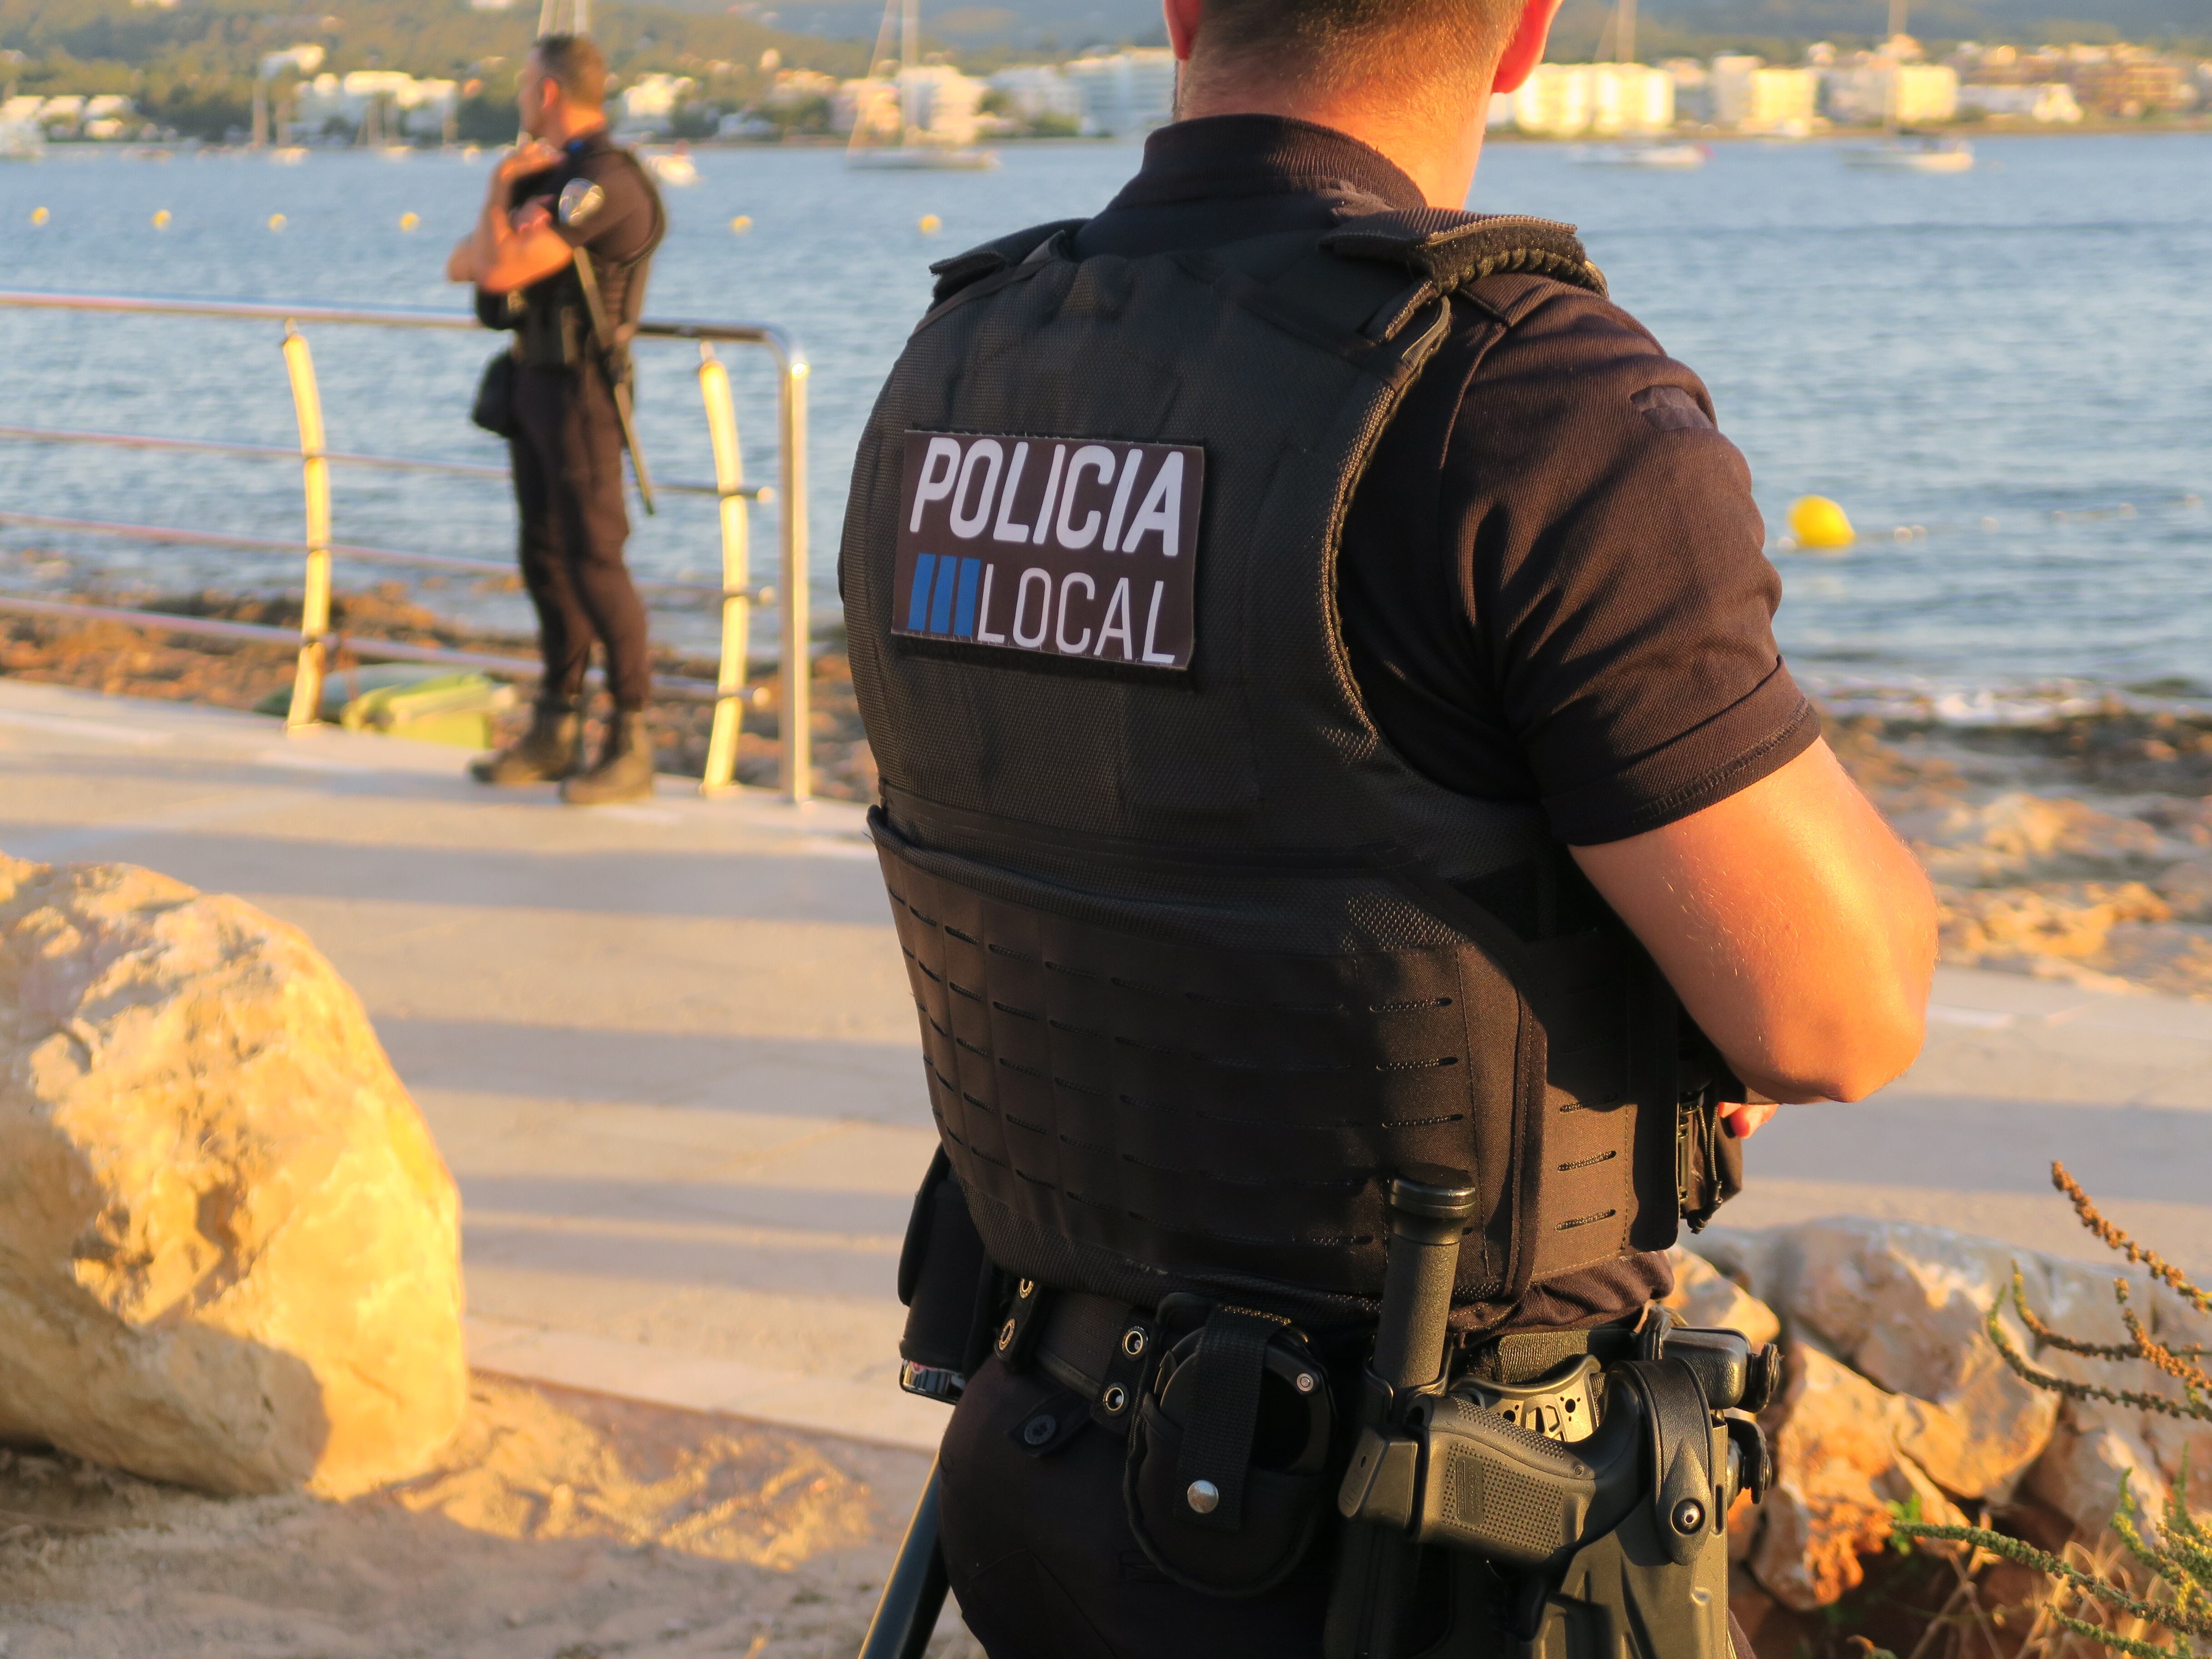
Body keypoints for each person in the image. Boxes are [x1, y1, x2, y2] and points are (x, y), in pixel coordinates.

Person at [840, 0, 1940, 1654]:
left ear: (1183, 12)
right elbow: (1840, 1012)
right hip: (1414, 1544)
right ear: (1525, 33)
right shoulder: (1525, 397)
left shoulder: (956, 360)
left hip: (1040, 1475)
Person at [447, 33, 666, 806]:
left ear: (547, 92)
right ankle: (556, 727)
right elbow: (461, 265)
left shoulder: (606, 180)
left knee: (596, 563)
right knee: (543, 557)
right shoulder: (549, 176)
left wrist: (501, 218)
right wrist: (500, 194)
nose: (518, 98)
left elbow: (499, 265)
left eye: (523, 85)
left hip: (584, 390)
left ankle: (631, 740)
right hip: (533, 383)